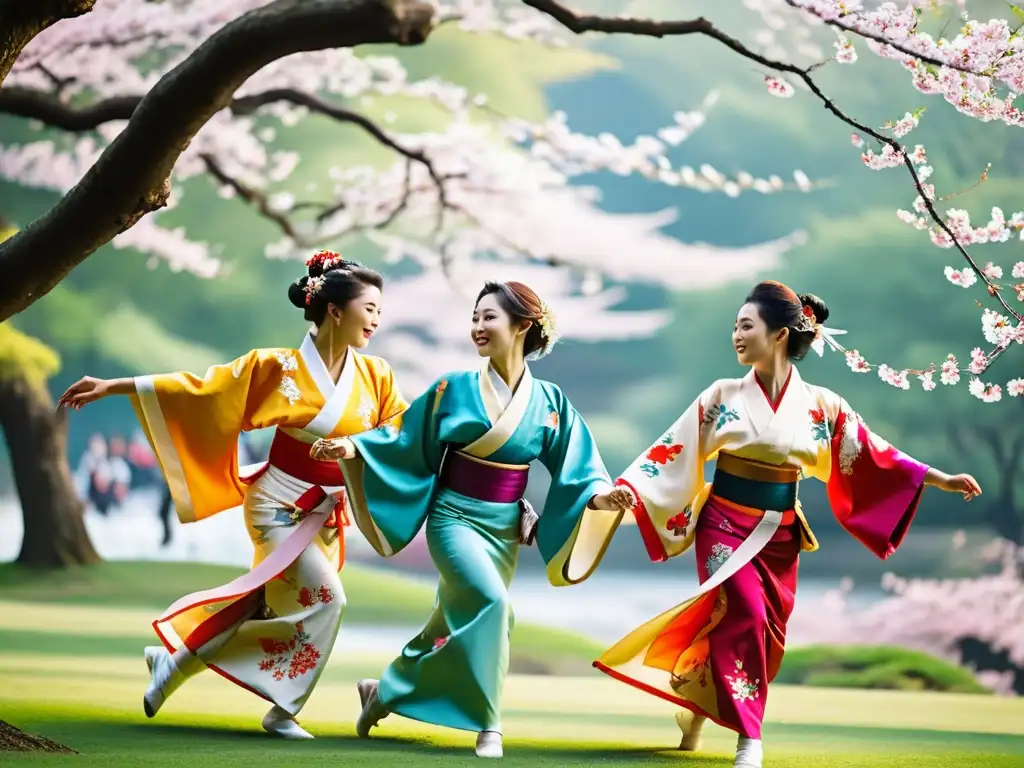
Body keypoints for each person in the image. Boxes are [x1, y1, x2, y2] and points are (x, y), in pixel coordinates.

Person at [591, 281, 981, 768]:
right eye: (734, 326)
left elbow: (873, 453)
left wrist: (935, 478)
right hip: (724, 524)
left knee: (765, 634)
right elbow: (675, 448)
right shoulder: (722, 395)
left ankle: (696, 705)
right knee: (745, 614)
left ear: (778, 335)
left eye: (746, 326)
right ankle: (749, 737)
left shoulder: (822, 403)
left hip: (780, 531)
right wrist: (629, 491)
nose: (736, 334)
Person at [57, 250, 407, 739]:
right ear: (334, 310)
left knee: (259, 604)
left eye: (379, 311)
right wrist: (116, 386)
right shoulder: (274, 366)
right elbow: (202, 389)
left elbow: (407, 436)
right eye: (369, 308)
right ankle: (281, 710)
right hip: (277, 506)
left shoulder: (378, 376)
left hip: (327, 512)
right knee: (329, 601)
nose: (376, 319)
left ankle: (174, 662)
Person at [312, 281, 634, 758]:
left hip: (504, 526)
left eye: (490, 318)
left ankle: (384, 692)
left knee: (451, 620)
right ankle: (489, 725)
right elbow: (402, 437)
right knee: (493, 604)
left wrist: (603, 498)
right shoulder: (453, 387)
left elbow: (579, 466)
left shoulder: (550, 401)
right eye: (475, 318)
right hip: (453, 518)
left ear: (523, 326)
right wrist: (354, 447)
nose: (478, 327)